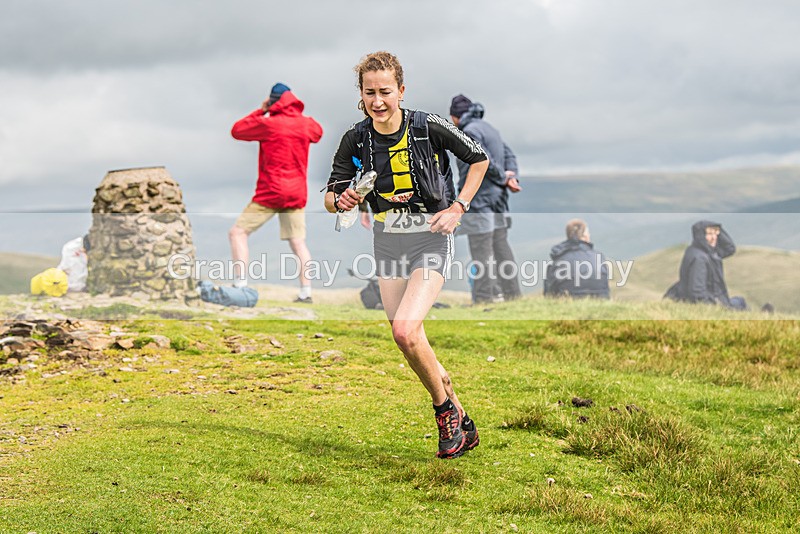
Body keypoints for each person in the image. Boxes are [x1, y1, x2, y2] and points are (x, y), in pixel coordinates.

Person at [325, 51, 490, 459]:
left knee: (404, 330)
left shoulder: (427, 125)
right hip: (387, 241)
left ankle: (443, 412)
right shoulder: (355, 137)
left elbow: (479, 159)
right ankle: (463, 420)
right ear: (360, 95)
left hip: (431, 238)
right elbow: (330, 195)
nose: (377, 101)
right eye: (369, 93)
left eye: (385, 92)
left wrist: (458, 208)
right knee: (410, 339)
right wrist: (341, 200)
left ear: (401, 90)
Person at [229, 83, 323, 302]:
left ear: (273, 101)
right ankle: (306, 293)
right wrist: (299, 117)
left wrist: (261, 110)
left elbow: (237, 131)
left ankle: (241, 284)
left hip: (270, 192)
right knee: (298, 242)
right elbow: (318, 132)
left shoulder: (268, 124)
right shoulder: (306, 124)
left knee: (238, 233)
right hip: (297, 194)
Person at [450, 95, 522, 304]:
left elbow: (484, 160)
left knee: (481, 250)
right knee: (501, 247)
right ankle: (512, 296)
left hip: (479, 198)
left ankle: (484, 298)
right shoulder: (490, 128)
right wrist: (510, 176)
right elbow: (510, 155)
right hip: (498, 199)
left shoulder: (469, 132)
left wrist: (502, 177)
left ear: (455, 118)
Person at [664, 220, 747, 310]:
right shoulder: (700, 259)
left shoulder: (704, 251)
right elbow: (697, 292)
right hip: (713, 302)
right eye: (709, 234)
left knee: (740, 301)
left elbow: (730, 249)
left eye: (715, 233)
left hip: (715, 298)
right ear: (701, 236)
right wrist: (716, 307)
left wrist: (718, 229)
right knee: (742, 306)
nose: (714, 237)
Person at [543, 219, 610, 299]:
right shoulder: (599, 257)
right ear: (585, 236)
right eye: (588, 233)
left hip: (567, 304)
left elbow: (549, 294)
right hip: (600, 303)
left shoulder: (559, 259)